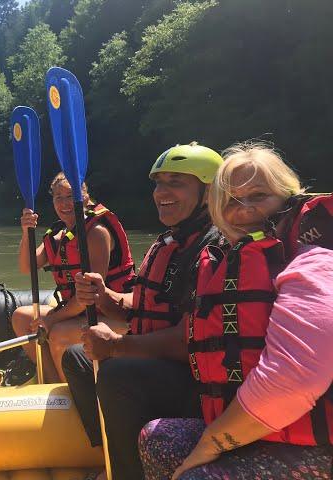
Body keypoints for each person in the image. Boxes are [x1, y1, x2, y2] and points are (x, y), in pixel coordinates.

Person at [138, 143, 333, 479]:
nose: (243, 209)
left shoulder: (314, 259)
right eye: (230, 200)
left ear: (288, 198)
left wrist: (212, 443)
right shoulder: (227, 258)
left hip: (317, 445)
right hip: (259, 430)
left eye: (258, 195)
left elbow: (293, 380)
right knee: (157, 439)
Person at [62, 143, 224, 480]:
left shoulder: (215, 248)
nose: (161, 192)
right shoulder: (169, 242)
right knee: (77, 358)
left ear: (209, 191)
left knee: (116, 373)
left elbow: (187, 340)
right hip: (160, 363)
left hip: (197, 381)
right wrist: (105, 296)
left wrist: (118, 347)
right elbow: (146, 306)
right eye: (158, 183)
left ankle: (128, 474)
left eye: (176, 182)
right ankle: (109, 456)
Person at [11, 171, 135, 383]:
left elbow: (92, 294)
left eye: (70, 196)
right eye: (58, 197)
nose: (64, 203)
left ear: (85, 199)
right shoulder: (59, 235)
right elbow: (26, 266)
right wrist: (26, 232)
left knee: (58, 332)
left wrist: (51, 319)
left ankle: (71, 394)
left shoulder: (97, 232)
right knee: (22, 317)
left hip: (117, 315)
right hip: (81, 312)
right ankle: (52, 383)